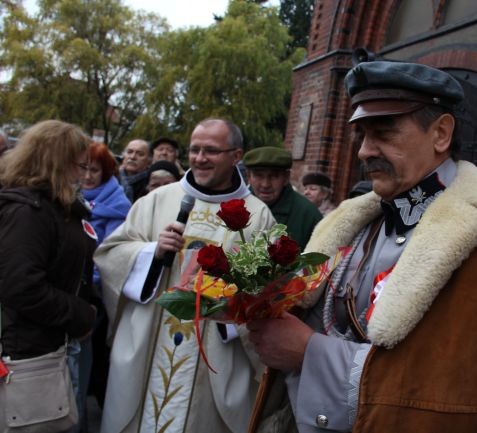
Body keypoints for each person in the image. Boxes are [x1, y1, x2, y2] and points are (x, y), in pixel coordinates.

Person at [246, 61, 477, 433]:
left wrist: (310, 354)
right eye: (361, 136)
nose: (365, 151)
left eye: (383, 132)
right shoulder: (348, 223)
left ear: (441, 133)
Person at [94, 118, 275, 433]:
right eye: (195, 149)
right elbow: (110, 255)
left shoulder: (257, 216)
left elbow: (270, 289)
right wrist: (151, 253)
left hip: (215, 355)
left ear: (236, 156)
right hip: (149, 345)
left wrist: (230, 285)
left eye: (211, 151)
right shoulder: (156, 200)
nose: (200, 158)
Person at [0, 120, 97, 403]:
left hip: (45, 345)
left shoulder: (50, 206)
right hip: (27, 354)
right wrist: (81, 316)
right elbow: (21, 286)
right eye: (81, 166)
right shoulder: (27, 212)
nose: (83, 175)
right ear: (57, 163)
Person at [80, 141, 131, 409]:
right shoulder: (74, 196)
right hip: (77, 288)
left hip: (98, 292)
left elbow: (111, 253)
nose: (87, 176)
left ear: (106, 172)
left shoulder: (117, 205)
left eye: (94, 170)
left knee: (97, 359)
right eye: (84, 168)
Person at [243, 146, 322, 250]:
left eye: (274, 176)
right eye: (259, 176)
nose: (265, 184)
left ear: (286, 178)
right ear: (248, 176)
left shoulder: (309, 215)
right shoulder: (237, 207)